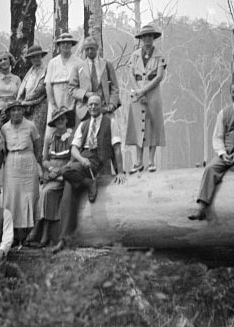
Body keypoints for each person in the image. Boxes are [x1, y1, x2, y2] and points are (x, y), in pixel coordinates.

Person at [52, 94, 127, 253]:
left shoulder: (110, 123)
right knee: (68, 188)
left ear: (101, 106)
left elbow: (116, 149)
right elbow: (74, 148)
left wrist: (120, 171)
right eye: (90, 104)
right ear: (87, 107)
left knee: (65, 171)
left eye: (96, 104)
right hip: (81, 160)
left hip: (95, 160)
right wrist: (81, 159)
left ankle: (88, 182)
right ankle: (65, 240)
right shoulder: (83, 125)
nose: (93, 107)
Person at [188, 81, 234, 218]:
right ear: (230, 94)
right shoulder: (223, 113)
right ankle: (202, 206)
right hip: (227, 151)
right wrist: (222, 154)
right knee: (210, 167)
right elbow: (217, 137)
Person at [27, 107, 75, 248]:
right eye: (57, 119)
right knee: (43, 193)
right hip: (52, 173)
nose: (60, 121)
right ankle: (44, 233)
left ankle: (38, 229)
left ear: (66, 120)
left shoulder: (71, 136)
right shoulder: (50, 137)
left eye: (62, 118)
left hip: (65, 172)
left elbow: (72, 159)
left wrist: (59, 171)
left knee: (46, 193)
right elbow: (44, 159)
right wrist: (51, 169)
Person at [125, 24, 167, 173]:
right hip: (137, 94)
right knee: (138, 126)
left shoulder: (159, 55)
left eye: (150, 36)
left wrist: (144, 90)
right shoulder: (135, 55)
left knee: (152, 126)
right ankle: (138, 161)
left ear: (153, 38)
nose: (147, 39)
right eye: (145, 36)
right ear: (141, 38)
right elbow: (131, 74)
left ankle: (150, 161)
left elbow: (159, 76)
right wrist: (138, 91)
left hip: (152, 93)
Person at [0, 100, 42, 244]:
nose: (16, 113)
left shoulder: (31, 125)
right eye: (13, 110)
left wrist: (35, 161)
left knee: (29, 195)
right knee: (12, 197)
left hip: (28, 161)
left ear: (23, 111)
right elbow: (3, 148)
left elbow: (37, 145)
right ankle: (12, 233)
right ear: (9, 113)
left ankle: (29, 233)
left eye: (19, 110)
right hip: (12, 162)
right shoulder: (4, 128)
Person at [68, 36, 120, 122]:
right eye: (87, 49)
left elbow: (115, 87)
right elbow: (71, 89)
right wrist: (86, 94)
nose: (90, 51)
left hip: (105, 108)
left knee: (106, 133)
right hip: (85, 110)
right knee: (86, 133)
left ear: (97, 48)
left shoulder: (107, 64)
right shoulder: (78, 67)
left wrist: (112, 104)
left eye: (92, 48)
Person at [17, 45, 48, 161]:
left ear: (41, 56)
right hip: (26, 109)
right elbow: (22, 91)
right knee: (26, 135)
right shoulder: (30, 72)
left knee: (37, 135)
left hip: (39, 106)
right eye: (32, 57)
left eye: (37, 56)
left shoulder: (46, 70)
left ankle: (38, 164)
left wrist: (24, 102)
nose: (35, 59)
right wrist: (20, 102)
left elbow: (40, 90)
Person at [45, 33, 83, 126]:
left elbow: (82, 85)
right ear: (59, 45)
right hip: (56, 97)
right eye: (63, 43)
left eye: (68, 43)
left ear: (72, 45)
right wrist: (53, 104)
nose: (65, 45)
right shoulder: (52, 62)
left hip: (72, 98)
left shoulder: (79, 62)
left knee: (72, 128)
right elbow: (48, 85)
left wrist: (75, 103)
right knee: (53, 130)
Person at [0, 50, 21, 125]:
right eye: (0, 60)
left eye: (5, 59)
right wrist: (2, 109)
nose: (3, 62)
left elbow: (19, 98)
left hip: (13, 113)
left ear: (10, 60)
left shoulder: (17, 79)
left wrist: (9, 110)